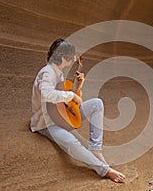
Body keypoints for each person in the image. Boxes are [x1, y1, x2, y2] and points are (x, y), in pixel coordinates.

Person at [30, 38, 125, 183]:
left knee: (97, 104)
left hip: (61, 116)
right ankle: (104, 170)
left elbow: (68, 103)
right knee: (71, 142)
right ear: (63, 58)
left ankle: (95, 149)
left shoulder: (59, 73)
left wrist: (78, 88)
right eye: (71, 57)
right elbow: (46, 95)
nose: (74, 59)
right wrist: (71, 94)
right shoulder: (48, 72)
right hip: (47, 123)